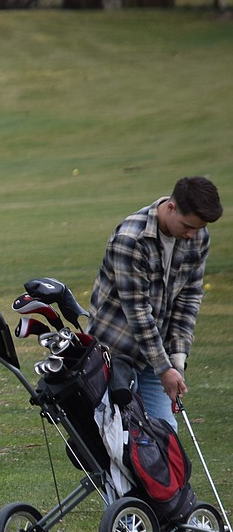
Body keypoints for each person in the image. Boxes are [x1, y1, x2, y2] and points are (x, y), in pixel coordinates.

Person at [89, 176, 222, 428]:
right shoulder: (131, 239)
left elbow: (189, 298)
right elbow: (137, 312)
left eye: (198, 227)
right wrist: (164, 369)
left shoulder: (197, 236)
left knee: (165, 432)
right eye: (187, 226)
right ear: (170, 207)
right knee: (124, 434)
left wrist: (177, 360)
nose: (192, 234)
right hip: (115, 351)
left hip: (156, 351)